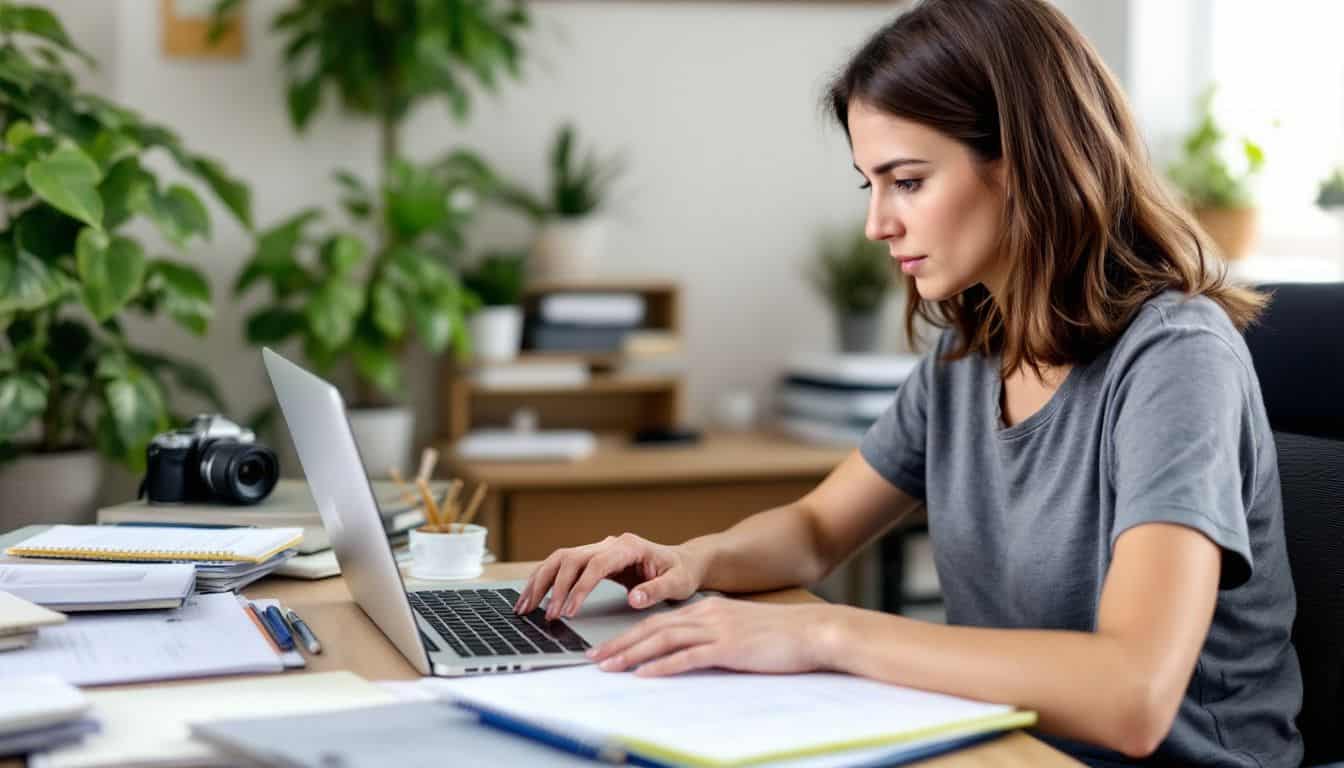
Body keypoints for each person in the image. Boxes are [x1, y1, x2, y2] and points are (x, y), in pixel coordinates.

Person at [511, 0, 1303, 764]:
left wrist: (825, 635)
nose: (877, 223)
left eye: (908, 181)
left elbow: (1133, 695)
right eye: (871, 184)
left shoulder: (1175, 360)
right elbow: (819, 529)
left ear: (1027, 163)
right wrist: (690, 560)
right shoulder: (972, 351)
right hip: (997, 744)